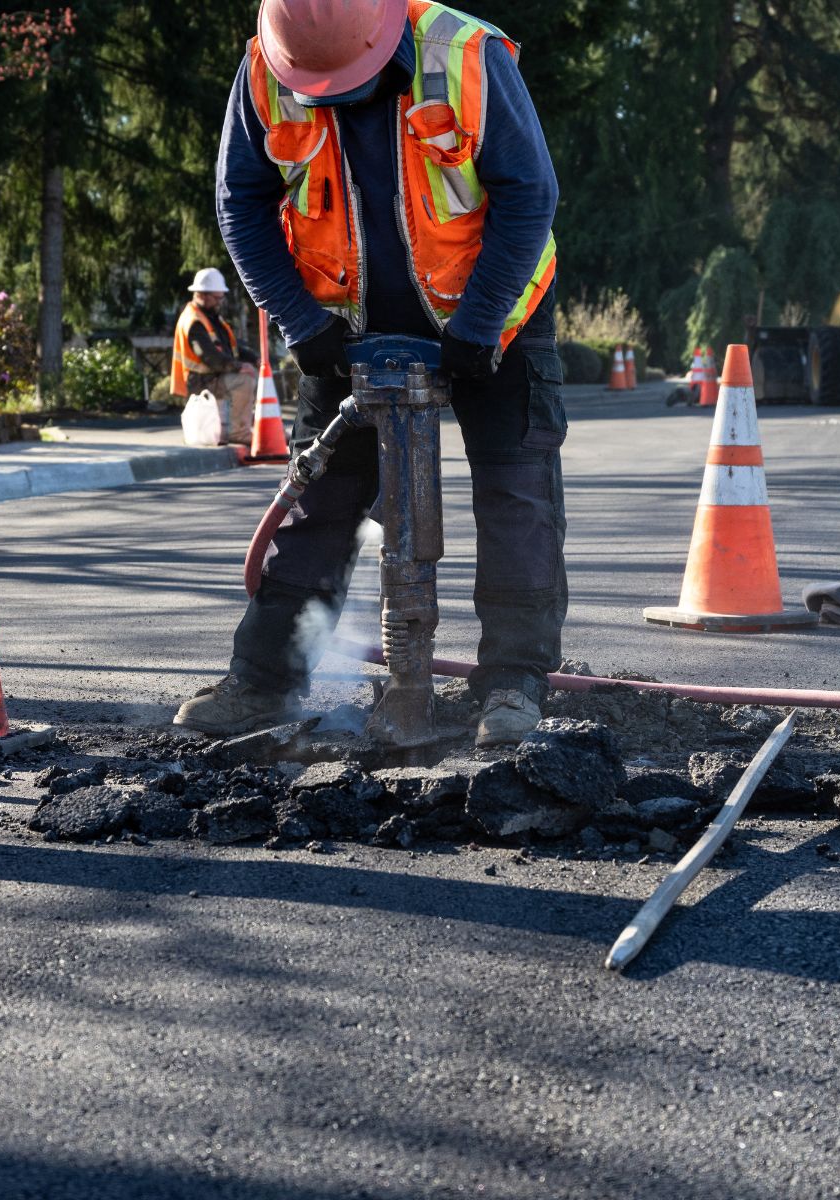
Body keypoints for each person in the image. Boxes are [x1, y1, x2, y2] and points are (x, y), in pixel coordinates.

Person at [177, 0, 566, 749]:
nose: (332, 98)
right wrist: (301, 322)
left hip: (496, 312)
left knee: (517, 493)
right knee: (322, 497)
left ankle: (513, 682)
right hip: (344, 324)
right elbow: (241, 206)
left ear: (385, 35)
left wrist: (479, 325)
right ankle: (263, 680)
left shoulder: (466, 56)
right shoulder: (266, 69)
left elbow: (529, 197)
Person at [171, 268, 260, 446]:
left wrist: (254, 358)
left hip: (211, 377)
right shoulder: (194, 321)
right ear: (202, 295)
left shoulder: (209, 317)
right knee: (244, 379)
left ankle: (247, 425)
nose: (220, 302)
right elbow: (210, 357)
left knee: (250, 373)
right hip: (201, 381)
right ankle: (238, 433)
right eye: (217, 298)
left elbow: (231, 346)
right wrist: (238, 367)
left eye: (221, 298)